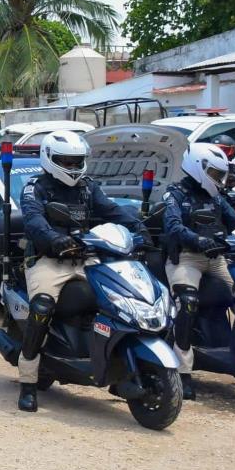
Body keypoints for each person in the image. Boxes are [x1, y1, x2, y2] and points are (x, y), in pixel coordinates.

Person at [17, 130, 146, 413]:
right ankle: (28, 380)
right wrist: (52, 238)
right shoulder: (35, 187)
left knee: (122, 299)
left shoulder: (88, 187)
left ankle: (114, 366)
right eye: (67, 161)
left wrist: (138, 227)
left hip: (86, 258)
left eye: (78, 162)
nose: (74, 167)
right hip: (48, 260)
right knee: (42, 307)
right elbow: (34, 220)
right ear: (50, 159)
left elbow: (112, 211)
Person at [163, 143, 235, 400]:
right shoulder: (175, 194)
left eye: (220, 174)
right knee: (187, 304)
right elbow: (173, 226)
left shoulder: (215, 197)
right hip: (186, 259)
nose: (219, 180)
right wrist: (197, 240)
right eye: (214, 174)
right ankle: (183, 371)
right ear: (197, 169)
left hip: (217, 258)